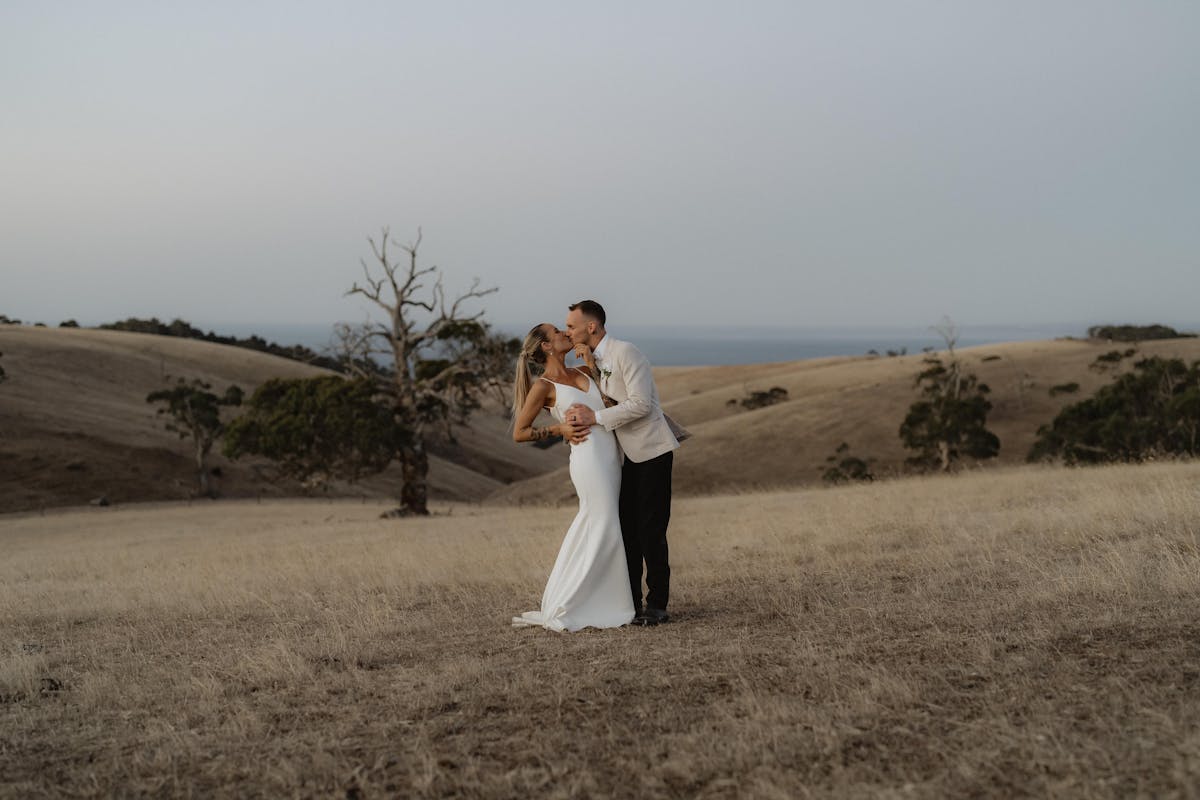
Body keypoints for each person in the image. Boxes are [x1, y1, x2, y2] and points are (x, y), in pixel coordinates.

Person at [510, 323, 636, 631]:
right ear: (546, 347)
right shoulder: (543, 386)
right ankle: (583, 602)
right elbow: (520, 433)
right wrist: (559, 430)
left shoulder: (583, 370)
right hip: (587, 459)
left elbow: (608, 407)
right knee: (603, 520)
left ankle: (595, 598)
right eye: (557, 332)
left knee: (600, 522)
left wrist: (594, 368)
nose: (565, 333)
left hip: (610, 454)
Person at [564, 300, 679, 626]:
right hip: (623, 458)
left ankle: (657, 605)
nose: (568, 332)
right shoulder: (596, 359)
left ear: (592, 327)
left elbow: (641, 404)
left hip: (651, 451)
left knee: (651, 530)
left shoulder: (626, 352)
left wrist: (595, 417)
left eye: (572, 326)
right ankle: (630, 605)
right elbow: (607, 395)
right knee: (626, 530)